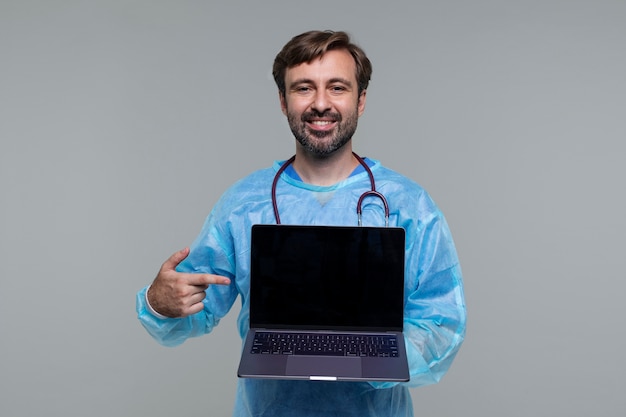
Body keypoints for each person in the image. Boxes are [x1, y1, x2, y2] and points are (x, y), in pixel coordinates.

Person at [136, 30, 466, 417]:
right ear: (283, 101)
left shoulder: (409, 205)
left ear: (360, 101)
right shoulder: (244, 205)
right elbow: (193, 306)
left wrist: (369, 357)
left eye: (337, 88)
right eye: (304, 88)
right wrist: (159, 303)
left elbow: (442, 322)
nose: (321, 104)